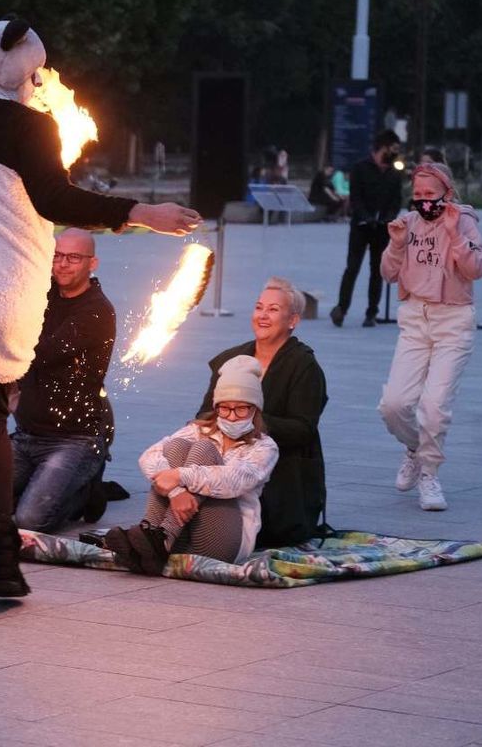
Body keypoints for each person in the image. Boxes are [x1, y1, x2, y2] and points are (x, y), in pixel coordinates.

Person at [0, 18, 201, 619]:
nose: (39, 84)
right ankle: (4, 565)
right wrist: (143, 211)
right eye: (34, 73)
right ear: (18, 70)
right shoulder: (33, 126)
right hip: (10, 301)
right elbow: (57, 201)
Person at [105, 356, 279, 575]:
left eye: (241, 409)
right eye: (224, 408)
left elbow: (235, 480)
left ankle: (159, 538)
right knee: (177, 445)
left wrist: (179, 477)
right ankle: (155, 540)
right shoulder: (199, 429)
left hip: (222, 541)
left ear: (255, 410)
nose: (232, 416)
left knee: (203, 449)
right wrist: (176, 491)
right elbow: (149, 456)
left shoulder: (265, 446)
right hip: (183, 536)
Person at [378, 162, 482, 511]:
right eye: (418, 195)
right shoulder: (407, 223)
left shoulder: (464, 220)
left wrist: (455, 234)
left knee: (435, 407)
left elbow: (476, 269)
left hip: (453, 319)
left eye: (431, 195)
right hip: (414, 319)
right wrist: (395, 245)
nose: (424, 201)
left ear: (447, 194)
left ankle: (430, 473)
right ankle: (415, 449)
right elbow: (388, 273)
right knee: (393, 405)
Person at [197, 277, 328, 547]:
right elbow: (204, 415)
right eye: (259, 307)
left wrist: (249, 423)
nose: (263, 315)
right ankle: (156, 534)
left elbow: (302, 430)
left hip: (280, 472)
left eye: (273, 309)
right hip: (229, 459)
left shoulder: (304, 366)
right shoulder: (230, 360)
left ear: (293, 320)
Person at [11, 229, 117, 532]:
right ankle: (43, 485)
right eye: (57, 256)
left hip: (74, 439)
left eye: (73, 257)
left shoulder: (97, 311)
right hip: (27, 434)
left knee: (29, 520)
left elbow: (41, 354)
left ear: (92, 263)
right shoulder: (42, 295)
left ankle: (83, 494)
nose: (63, 264)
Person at [331, 129, 403, 328]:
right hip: (361, 227)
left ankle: (371, 312)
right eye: (393, 149)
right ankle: (341, 309)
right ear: (382, 148)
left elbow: (396, 200)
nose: (395, 153)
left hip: (381, 228)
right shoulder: (360, 168)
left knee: (377, 270)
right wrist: (366, 217)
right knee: (352, 268)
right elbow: (355, 198)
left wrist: (388, 218)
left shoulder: (395, 172)